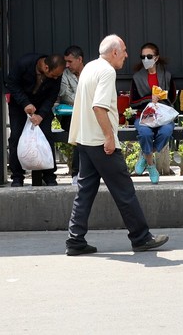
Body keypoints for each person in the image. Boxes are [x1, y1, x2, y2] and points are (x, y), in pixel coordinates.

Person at [65, 35, 169, 256]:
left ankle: (75, 239)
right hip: (100, 141)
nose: (126, 55)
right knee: (124, 191)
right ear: (114, 52)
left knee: (85, 191)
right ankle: (141, 237)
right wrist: (109, 137)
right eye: (124, 50)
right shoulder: (107, 71)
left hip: (85, 139)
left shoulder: (90, 67)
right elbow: (99, 107)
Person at [5, 53, 65, 187]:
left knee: (46, 136)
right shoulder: (24, 64)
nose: (56, 78)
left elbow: (52, 96)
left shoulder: (57, 74)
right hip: (19, 105)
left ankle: (49, 175)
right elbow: (12, 84)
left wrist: (41, 115)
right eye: (54, 75)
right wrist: (25, 103)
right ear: (46, 67)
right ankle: (17, 176)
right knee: (16, 137)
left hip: (42, 105)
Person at [129, 42, 177, 183]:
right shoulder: (137, 77)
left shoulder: (166, 75)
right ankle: (151, 165)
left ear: (156, 58)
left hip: (163, 115)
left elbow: (173, 98)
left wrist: (162, 96)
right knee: (145, 133)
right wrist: (148, 99)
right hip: (144, 115)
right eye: (143, 57)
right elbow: (132, 102)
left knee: (166, 131)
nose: (146, 59)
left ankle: (146, 155)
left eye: (149, 56)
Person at [57, 45, 85, 183]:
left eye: (70, 61)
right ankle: (77, 173)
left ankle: (80, 173)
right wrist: (86, 101)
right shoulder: (65, 74)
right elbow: (65, 95)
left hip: (88, 115)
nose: (67, 65)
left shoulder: (90, 72)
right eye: (66, 62)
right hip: (69, 117)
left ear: (79, 59)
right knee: (81, 132)